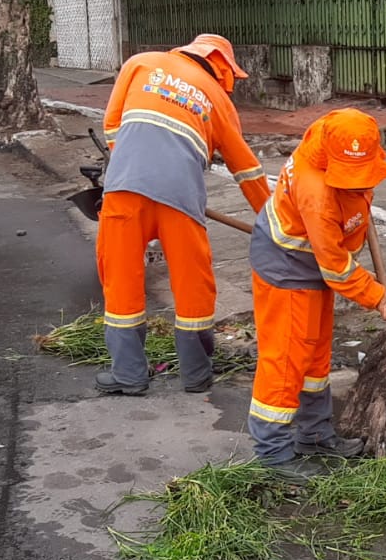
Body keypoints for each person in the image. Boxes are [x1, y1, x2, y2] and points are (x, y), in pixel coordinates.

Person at [95, 34, 272, 396]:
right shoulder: (219, 102)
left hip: (124, 189)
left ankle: (129, 376)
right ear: (222, 66)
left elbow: (112, 126)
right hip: (181, 196)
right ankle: (196, 374)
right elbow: (247, 171)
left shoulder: (140, 63)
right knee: (194, 285)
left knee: (121, 281)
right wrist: (273, 220)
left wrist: (138, 166)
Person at [248, 108, 386, 483]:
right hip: (288, 269)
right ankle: (274, 454)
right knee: (286, 360)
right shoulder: (317, 193)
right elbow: (335, 268)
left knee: (315, 356)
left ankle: (314, 436)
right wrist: (376, 295)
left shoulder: (336, 142)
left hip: (312, 263)